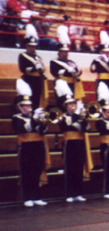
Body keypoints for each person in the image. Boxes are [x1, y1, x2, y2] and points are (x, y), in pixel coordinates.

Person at [13, 79, 48, 207]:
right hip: (26, 147)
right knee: (26, 172)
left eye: (29, 106)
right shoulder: (16, 118)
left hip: (38, 146)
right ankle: (27, 197)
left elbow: (43, 131)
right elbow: (25, 128)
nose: (28, 108)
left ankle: (37, 196)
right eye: (25, 106)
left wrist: (42, 122)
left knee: (37, 171)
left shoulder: (34, 117)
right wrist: (34, 119)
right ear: (20, 107)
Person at [55, 80, 89, 203]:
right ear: (66, 106)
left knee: (79, 167)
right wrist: (78, 117)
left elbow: (86, 128)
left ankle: (78, 193)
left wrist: (82, 117)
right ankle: (70, 193)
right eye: (70, 104)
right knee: (70, 168)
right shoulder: (63, 116)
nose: (73, 106)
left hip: (79, 142)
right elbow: (65, 126)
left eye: (74, 103)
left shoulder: (79, 115)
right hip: (69, 143)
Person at [18, 37, 46, 109]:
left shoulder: (38, 57)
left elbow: (43, 68)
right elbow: (23, 69)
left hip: (38, 79)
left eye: (34, 46)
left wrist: (42, 69)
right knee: (29, 97)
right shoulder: (22, 56)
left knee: (37, 98)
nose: (33, 48)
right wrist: (35, 68)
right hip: (29, 79)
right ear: (27, 46)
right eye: (31, 46)